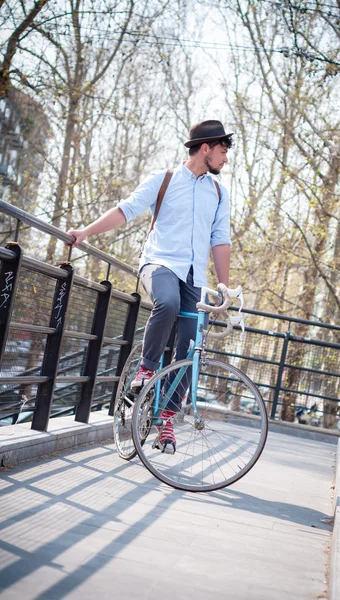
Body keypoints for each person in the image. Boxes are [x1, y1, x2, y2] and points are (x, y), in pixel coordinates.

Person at [67, 119, 233, 453]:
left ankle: (166, 421)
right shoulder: (164, 179)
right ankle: (146, 368)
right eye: (223, 151)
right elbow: (125, 210)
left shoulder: (218, 192)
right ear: (206, 148)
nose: (225, 158)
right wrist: (85, 231)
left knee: (189, 351)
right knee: (167, 303)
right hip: (159, 263)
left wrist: (225, 285)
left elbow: (220, 240)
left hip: (193, 277)